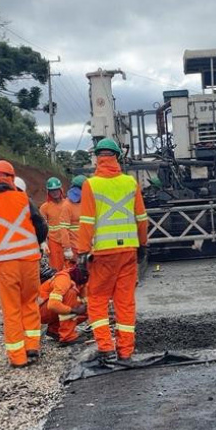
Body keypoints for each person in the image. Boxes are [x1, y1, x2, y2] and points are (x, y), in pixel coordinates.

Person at [77, 138, 148, 362]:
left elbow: (87, 222)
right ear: (117, 157)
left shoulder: (91, 185)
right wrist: (143, 245)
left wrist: (82, 252)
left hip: (103, 254)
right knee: (125, 302)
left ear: (97, 158)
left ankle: (106, 348)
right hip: (128, 251)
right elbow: (142, 219)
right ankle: (126, 351)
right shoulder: (130, 183)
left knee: (97, 299)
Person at [0, 160, 48, 367]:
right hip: (30, 261)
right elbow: (41, 225)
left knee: (12, 308)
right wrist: (38, 242)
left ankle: (17, 357)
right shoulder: (23, 198)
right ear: (12, 178)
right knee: (30, 303)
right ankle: (32, 347)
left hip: (7, 264)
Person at [38, 265, 88, 345]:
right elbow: (53, 305)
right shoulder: (63, 279)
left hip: (46, 309)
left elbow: (85, 300)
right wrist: (74, 310)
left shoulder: (80, 278)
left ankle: (54, 329)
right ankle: (67, 337)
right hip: (39, 311)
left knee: (88, 309)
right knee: (70, 294)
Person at [40, 177, 67, 270]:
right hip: (54, 242)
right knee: (56, 268)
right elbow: (41, 226)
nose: (55, 192)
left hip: (68, 240)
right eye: (52, 191)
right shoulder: (45, 207)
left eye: (56, 190)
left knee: (71, 267)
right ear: (48, 192)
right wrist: (43, 242)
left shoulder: (68, 204)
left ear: (61, 190)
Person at [59, 175, 86, 263]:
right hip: (74, 248)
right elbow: (64, 229)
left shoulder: (85, 203)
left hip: (85, 246)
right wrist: (67, 248)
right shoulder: (67, 206)